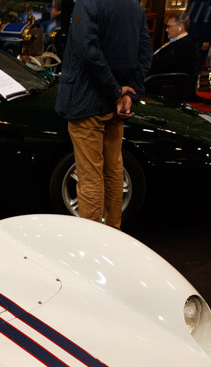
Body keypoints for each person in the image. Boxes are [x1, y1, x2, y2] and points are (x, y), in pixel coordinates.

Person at [55, 0, 151, 230]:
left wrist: (116, 91)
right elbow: (146, 52)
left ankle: (93, 243)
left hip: (87, 101)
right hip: (114, 103)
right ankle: (113, 234)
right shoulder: (134, 6)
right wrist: (128, 93)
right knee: (113, 172)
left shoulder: (89, 3)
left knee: (90, 177)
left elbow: (87, 50)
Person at [150, 12, 196, 76]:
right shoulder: (178, 42)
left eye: (169, 27)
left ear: (180, 27)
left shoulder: (183, 45)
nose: (166, 30)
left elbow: (163, 65)